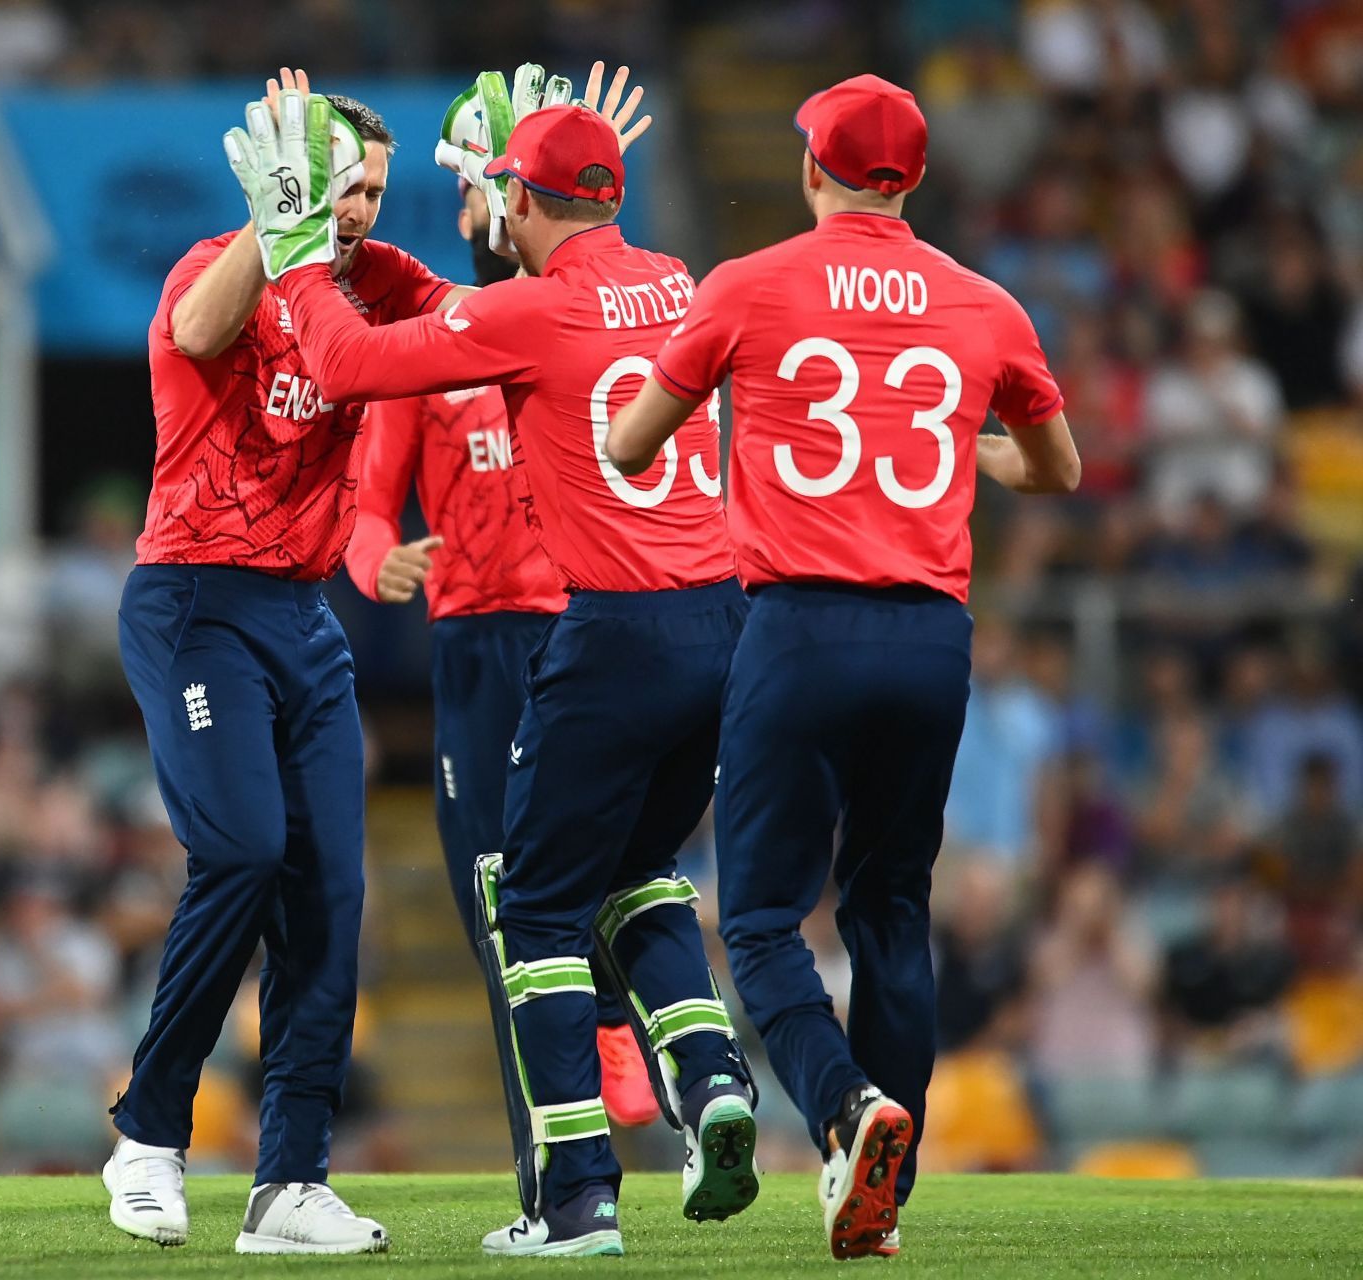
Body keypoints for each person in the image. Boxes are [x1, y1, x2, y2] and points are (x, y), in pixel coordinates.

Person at [257, 89, 760, 1256]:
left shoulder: (524, 312)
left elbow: (342, 358)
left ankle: (575, 1196)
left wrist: (293, 247)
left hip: (608, 631)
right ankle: (711, 1076)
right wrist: (560, 183)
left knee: (525, 900)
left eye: (498, 191)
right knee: (641, 868)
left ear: (522, 199)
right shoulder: (679, 277)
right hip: (722, 628)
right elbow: (590, 254)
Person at [608, 74, 1080, 1259]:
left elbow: (629, 443)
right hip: (929, 636)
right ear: (912, 178)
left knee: (762, 915)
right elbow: (1056, 467)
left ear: (811, 169)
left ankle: (841, 1106)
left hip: (798, 626)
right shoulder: (986, 304)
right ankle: (883, 1194)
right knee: (892, 909)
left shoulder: (750, 284)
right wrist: (942, 440)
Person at [101, 69, 467, 1255]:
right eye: (340, 186)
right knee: (244, 848)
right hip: (194, 601)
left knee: (331, 896)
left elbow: (469, 325)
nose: (358, 209)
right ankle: (149, 1137)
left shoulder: (376, 282)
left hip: (306, 617)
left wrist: (521, 200)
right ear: (281, 178)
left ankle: (289, 1182)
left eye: (370, 189)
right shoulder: (218, 266)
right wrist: (280, 223)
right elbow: (202, 331)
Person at [342, 174, 658, 1128]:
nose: (493, 210)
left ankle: (621, 1028)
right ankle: (550, 1144)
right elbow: (366, 504)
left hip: (576, 623)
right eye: (486, 191)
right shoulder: (442, 344)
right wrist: (375, 564)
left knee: (603, 859)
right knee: (490, 898)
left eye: (506, 187)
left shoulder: (575, 318)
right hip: (475, 640)